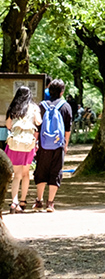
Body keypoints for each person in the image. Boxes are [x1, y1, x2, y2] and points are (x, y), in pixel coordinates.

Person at [33, 79, 72, 213]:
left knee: (41, 170)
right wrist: (65, 144)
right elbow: (68, 129)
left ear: (49, 91)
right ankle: (50, 203)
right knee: (56, 171)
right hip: (58, 144)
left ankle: (39, 200)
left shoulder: (41, 106)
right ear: (62, 92)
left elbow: (37, 127)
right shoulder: (65, 106)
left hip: (43, 144)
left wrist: (35, 143)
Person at [4, 86, 42, 214]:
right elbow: (39, 122)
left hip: (15, 144)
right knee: (26, 174)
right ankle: (22, 201)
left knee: (17, 175)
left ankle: (14, 202)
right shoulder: (33, 107)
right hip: (28, 144)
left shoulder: (13, 108)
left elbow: (8, 125)